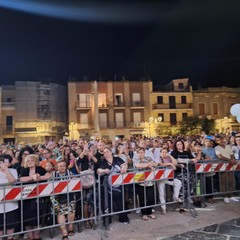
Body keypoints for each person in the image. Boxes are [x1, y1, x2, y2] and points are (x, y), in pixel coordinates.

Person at [19, 154, 51, 240]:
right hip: (26, 198)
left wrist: (40, 177)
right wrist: (32, 177)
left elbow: (48, 175)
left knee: (38, 217)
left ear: (35, 161)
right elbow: (21, 179)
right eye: (28, 161)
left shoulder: (40, 169)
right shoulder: (24, 170)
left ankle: (37, 236)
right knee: (27, 217)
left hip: (38, 198)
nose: (29, 162)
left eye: (32, 160)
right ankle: (30, 236)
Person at [97, 147, 129, 225]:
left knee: (121, 202)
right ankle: (107, 220)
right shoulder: (103, 162)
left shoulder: (117, 159)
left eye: (107, 151)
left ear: (111, 152)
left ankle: (123, 218)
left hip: (119, 186)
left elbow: (124, 164)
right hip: (107, 188)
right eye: (104, 153)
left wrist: (124, 167)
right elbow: (98, 170)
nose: (106, 153)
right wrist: (104, 171)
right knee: (107, 204)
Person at [51, 161, 76, 240]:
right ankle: (64, 233)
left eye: (63, 166)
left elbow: (75, 180)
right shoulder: (54, 174)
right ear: (57, 167)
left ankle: (71, 228)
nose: (62, 167)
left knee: (71, 212)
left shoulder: (69, 173)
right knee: (60, 214)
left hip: (69, 196)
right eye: (60, 166)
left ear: (66, 167)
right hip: (57, 198)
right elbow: (49, 185)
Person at [133, 147, 158, 221]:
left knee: (151, 198)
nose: (141, 154)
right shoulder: (136, 160)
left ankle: (149, 212)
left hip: (150, 182)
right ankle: (144, 213)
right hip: (140, 183)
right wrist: (149, 165)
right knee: (142, 199)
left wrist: (151, 164)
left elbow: (156, 163)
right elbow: (138, 165)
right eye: (139, 152)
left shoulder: (148, 158)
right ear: (137, 154)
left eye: (142, 152)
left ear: (144, 153)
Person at [157, 148, 182, 214]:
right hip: (161, 178)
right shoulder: (159, 158)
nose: (164, 153)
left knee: (178, 182)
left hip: (168, 178)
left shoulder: (168, 158)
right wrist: (170, 164)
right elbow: (160, 164)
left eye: (165, 152)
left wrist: (170, 156)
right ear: (160, 153)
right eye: (163, 152)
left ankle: (175, 196)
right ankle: (163, 208)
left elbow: (175, 162)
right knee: (162, 193)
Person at [214, 135, 239, 203]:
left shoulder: (228, 146)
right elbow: (220, 156)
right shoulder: (216, 148)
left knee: (231, 180)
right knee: (223, 181)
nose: (218, 141)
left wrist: (233, 159)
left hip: (230, 166)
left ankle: (231, 195)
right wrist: (230, 160)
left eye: (219, 140)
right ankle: (225, 196)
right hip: (222, 166)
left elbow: (231, 154)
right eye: (216, 140)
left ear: (222, 139)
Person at [0, 154, 18, 240]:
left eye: (5, 161)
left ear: (9, 163)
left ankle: (10, 237)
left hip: (11, 204)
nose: (3, 163)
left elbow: (12, 181)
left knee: (10, 223)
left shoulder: (13, 171)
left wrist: (6, 170)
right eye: (1, 161)